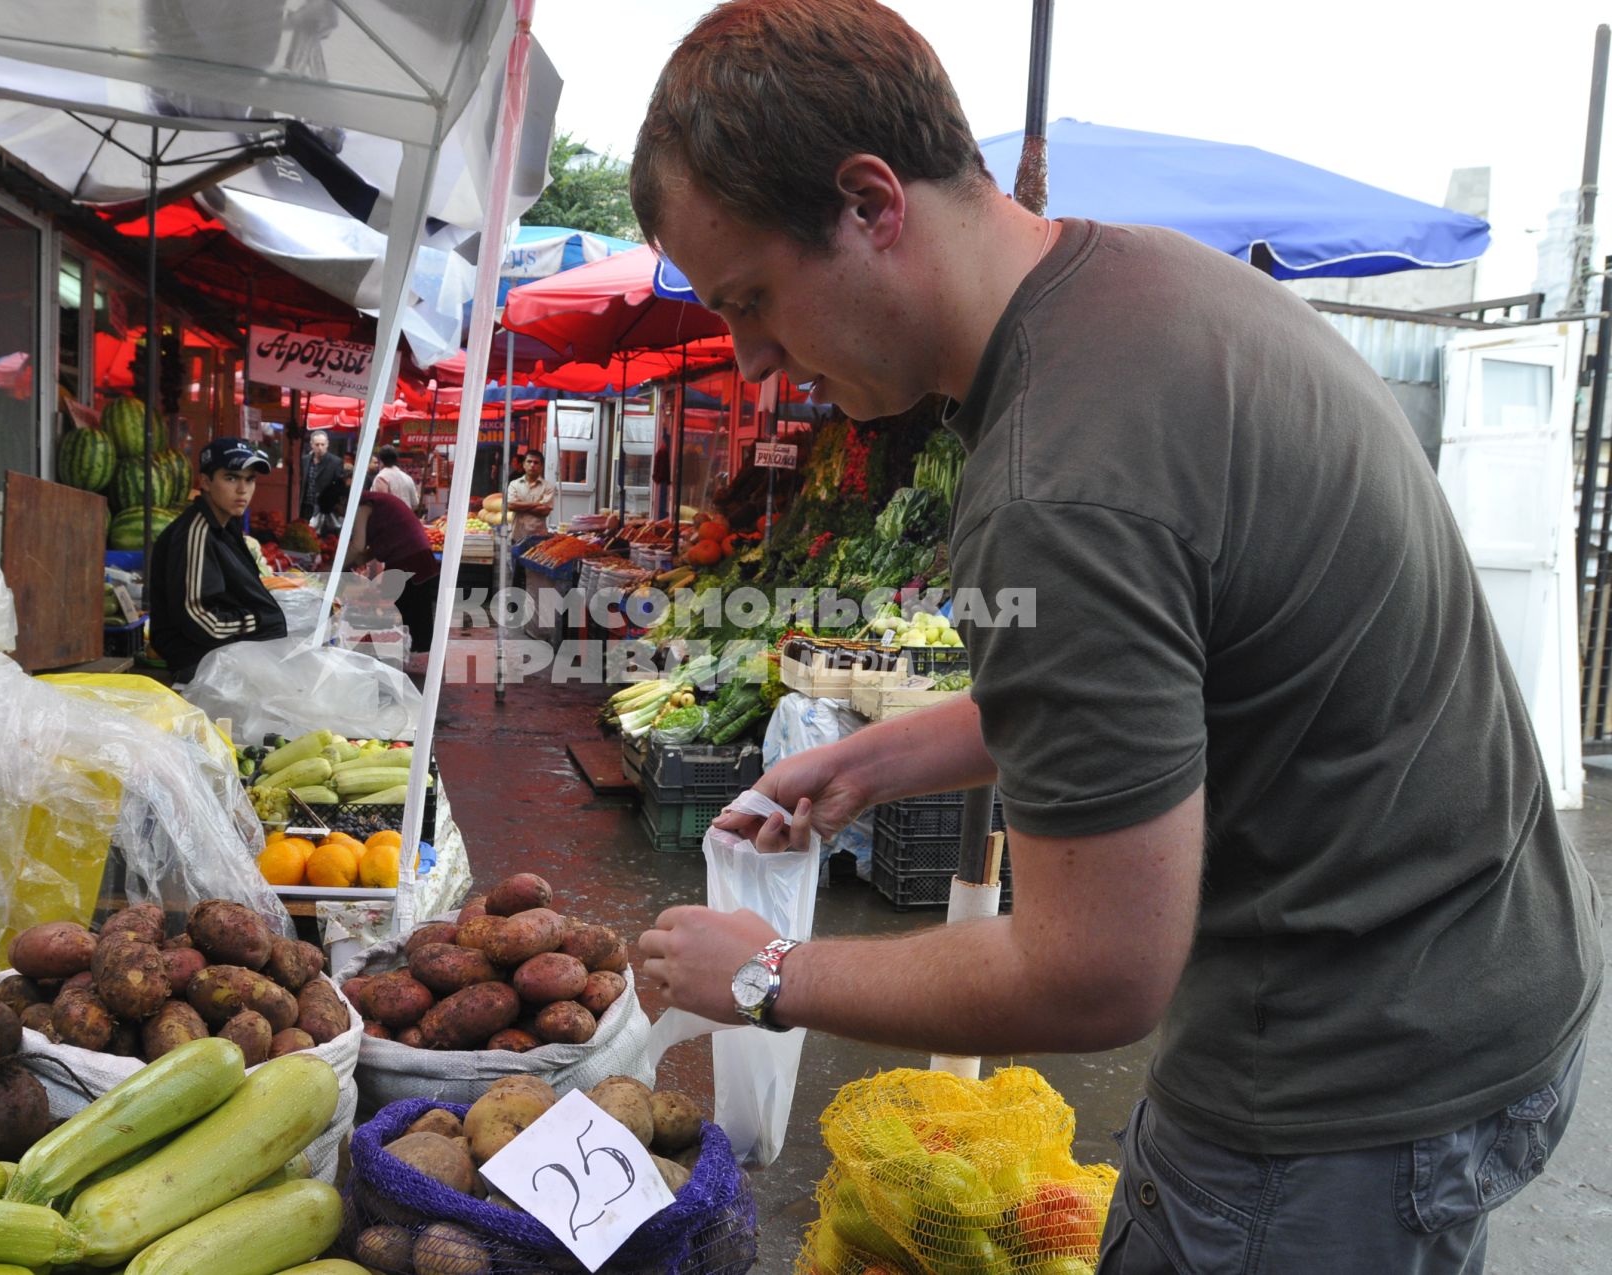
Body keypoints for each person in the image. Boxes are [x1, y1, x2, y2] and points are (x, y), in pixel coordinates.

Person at [628, 4, 1601, 1272]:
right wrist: (885, 760)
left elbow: (1094, 976)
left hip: (1343, 1079)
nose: (754, 359)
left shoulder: (1058, 478)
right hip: (1487, 977)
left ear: (872, 204)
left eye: (753, 298)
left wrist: (768, 976)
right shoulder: (1146, 286)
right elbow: (1198, 666)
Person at [147, 437, 285, 681]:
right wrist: (259, 618)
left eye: (249, 479)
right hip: (201, 669)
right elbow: (199, 618)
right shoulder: (195, 532)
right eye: (231, 478)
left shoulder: (224, 526)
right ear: (206, 482)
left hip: (225, 659)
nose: (242, 489)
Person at [345, 489, 440, 653]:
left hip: (410, 559)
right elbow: (380, 542)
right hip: (413, 555)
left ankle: (418, 656)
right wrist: (357, 561)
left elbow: (358, 545)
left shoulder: (364, 506)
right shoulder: (378, 503)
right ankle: (416, 652)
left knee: (413, 611)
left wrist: (337, 566)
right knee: (414, 610)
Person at [503, 449, 557, 543]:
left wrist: (520, 505)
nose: (532, 465)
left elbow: (544, 511)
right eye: (529, 462)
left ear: (541, 467)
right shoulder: (514, 484)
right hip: (517, 536)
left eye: (536, 463)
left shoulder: (548, 487)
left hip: (538, 538)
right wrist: (537, 503)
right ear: (524, 464)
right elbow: (511, 506)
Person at [298, 429, 342, 531]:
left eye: (323, 444)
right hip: (305, 505)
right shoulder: (304, 460)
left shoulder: (335, 462)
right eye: (317, 445)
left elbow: (338, 487)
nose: (320, 448)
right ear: (311, 445)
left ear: (327, 444)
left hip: (323, 508)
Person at [371, 445, 420, 512]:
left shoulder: (381, 478)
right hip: (406, 519)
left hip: (389, 520)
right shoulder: (408, 478)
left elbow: (380, 505)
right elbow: (415, 503)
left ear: (381, 461)